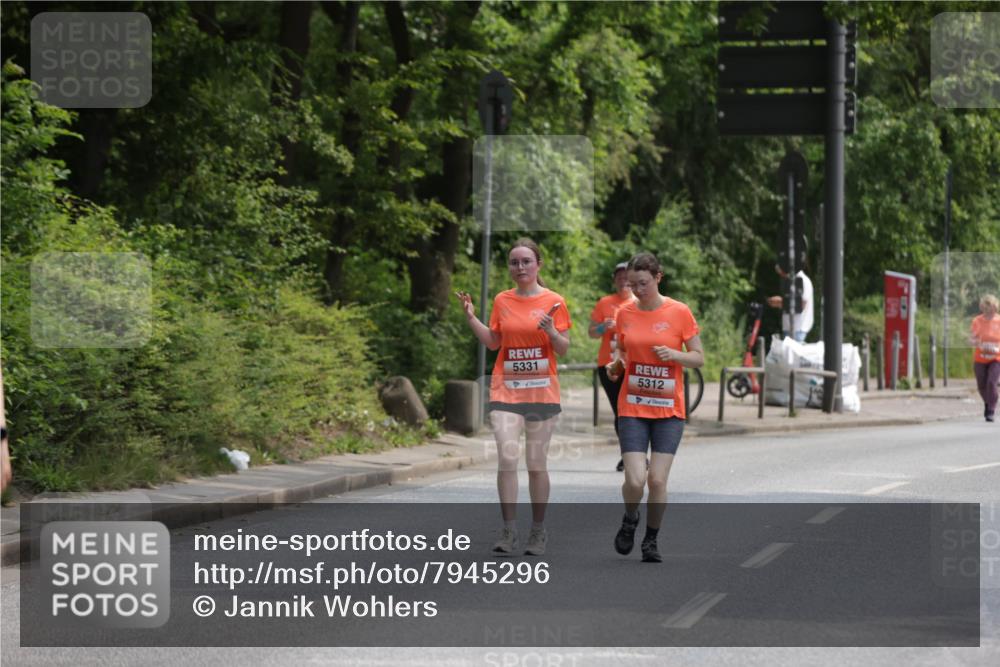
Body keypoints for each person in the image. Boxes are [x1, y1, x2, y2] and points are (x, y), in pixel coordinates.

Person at [456, 238, 571, 556]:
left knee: (536, 463)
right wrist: (470, 318)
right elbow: (494, 342)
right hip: (506, 389)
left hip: (541, 392)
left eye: (525, 262)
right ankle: (508, 531)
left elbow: (563, 347)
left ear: (538, 265)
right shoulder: (502, 300)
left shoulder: (554, 301)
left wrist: (550, 331)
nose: (519, 267)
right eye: (514, 262)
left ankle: (538, 531)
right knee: (508, 458)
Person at [606, 252, 703, 563]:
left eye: (643, 283)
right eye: (632, 284)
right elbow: (621, 351)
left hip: (668, 410)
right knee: (635, 480)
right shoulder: (625, 313)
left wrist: (675, 355)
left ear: (658, 277)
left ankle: (650, 539)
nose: (637, 290)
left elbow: (699, 357)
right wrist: (615, 366)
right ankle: (630, 517)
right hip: (633, 406)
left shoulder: (679, 312)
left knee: (657, 480)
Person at [588, 262, 635, 472]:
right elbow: (591, 332)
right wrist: (601, 327)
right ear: (614, 280)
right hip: (608, 365)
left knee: (634, 412)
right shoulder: (605, 303)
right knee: (620, 412)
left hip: (634, 365)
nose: (623, 280)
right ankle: (628, 454)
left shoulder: (639, 303)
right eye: (619, 277)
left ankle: (637, 453)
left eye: (627, 277)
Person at [970, 294, 1000, 422]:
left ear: (995, 307)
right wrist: (974, 342)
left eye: (990, 307)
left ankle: (991, 410)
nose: (987, 310)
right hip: (980, 358)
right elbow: (973, 337)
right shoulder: (977, 321)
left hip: (996, 358)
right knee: (981, 385)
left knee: (991, 382)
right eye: (984, 308)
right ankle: (988, 402)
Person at [766, 264, 813, 342]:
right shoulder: (793, 281)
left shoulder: (801, 280)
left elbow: (801, 304)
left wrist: (780, 302)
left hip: (797, 329)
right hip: (792, 328)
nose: (783, 276)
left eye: (783, 273)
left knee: (792, 354)